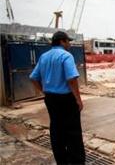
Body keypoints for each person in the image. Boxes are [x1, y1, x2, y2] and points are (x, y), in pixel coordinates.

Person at [29, 31, 85, 164]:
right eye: (68, 41)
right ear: (62, 41)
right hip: (66, 99)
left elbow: (33, 78)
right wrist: (78, 99)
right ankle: (76, 161)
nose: (69, 44)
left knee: (56, 130)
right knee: (73, 132)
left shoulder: (44, 56)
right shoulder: (66, 56)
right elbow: (72, 79)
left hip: (51, 99)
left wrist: (44, 92)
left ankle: (62, 161)